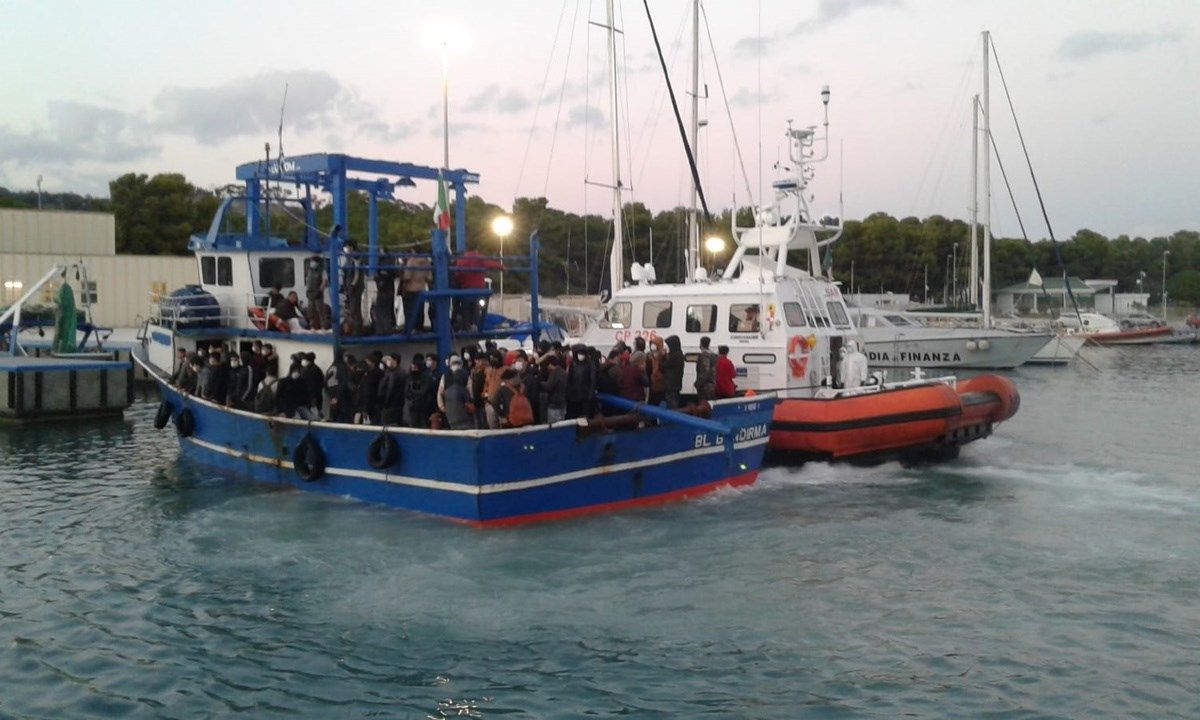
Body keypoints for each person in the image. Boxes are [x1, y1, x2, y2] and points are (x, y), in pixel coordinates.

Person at [437, 355, 473, 430]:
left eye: (458, 363)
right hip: (456, 413)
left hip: (455, 412)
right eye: (454, 363)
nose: (456, 365)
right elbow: (440, 393)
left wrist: (443, 407)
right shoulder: (445, 376)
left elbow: (470, 390)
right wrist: (442, 407)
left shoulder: (466, 375)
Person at [340, 239, 365, 335]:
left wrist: (353, 285)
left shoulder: (356, 257)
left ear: (351, 247)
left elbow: (356, 273)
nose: (345, 249)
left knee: (355, 309)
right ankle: (356, 329)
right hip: (350, 286)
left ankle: (357, 330)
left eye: (346, 247)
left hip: (355, 287)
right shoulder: (349, 258)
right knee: (353, 308)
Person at [401, 255, 432, 331]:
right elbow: (429, 278)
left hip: (411, 288)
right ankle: (419, 328)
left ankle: (410, 329)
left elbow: (407, 277)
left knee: (410, 310)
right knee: (420, 310)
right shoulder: (427, 262)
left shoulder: (411, 261)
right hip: (421, 288)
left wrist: (403, 283)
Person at [565, 344, 596, 419]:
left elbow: (593, 379)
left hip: (585, 394)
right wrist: (569, 392)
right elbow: (569, 379)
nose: (580, 355)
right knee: (574, 415)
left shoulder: (590, 364)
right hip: (574, 395)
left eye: (582, 353)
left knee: (584, 416)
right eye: (579, 353)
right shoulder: (573, 364)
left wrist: (590, 393)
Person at [378, 353, 406, 425]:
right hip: (390, 404)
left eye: (390, 359)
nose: (388, 361)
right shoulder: (389, 371)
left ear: (395, 361)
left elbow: (391, 389)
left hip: (392, 404)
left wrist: (385, 401)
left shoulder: (398, 373)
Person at [405, 353, 432, 428]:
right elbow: (406, 391)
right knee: (413, 424)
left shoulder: (425, 376)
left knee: (423, 424)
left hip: (423, 406)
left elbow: (424, 391)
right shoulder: (409, 376)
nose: (413, 367)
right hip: (412, 406)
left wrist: (412, 392)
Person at [303, 255, 326, 330]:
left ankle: (323, 327)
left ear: (318, 263)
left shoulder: (322, 271)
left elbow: (324, 281)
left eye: (313, 261)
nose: (311, 263)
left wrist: (320, 291)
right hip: (310, 293)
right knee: (310, 311)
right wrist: (307, 290)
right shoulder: (309, 270)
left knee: (320, 311)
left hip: (318, 293)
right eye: (311, 261)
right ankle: (311, 326)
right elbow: (307, 281)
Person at [542, 355, 567, 424]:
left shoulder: (554, 373)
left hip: (554, 404)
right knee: (562, 424)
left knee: (554, 426)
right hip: (563, 403)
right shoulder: (563, 372)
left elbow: (549, 386)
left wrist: (541, 383)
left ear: (550, 364)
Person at [661, 335, 685, 408]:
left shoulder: (674, 356)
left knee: (671, 404)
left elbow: (663, 366)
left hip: (671, 385)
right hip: (676, 384)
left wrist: (663, 356)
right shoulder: (679, 354)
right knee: (674, 401)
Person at [301, 352, 324, 417]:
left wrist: (312, 398)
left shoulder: (311, 371)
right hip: (315, 398)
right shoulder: (316, 369)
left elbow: (312, 386)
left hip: (312, 399)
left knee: (313, 416)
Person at [694, 336, 716, 402]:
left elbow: (705, 370)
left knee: (703, 404)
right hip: (712, 384)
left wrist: (698, 383)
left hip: (705, 386)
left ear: (701, 344)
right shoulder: (713, 355)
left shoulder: (704, 355)